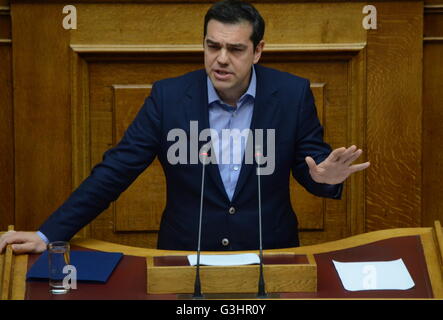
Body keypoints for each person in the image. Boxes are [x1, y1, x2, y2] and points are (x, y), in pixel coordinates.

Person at [0, 0, 369, 254]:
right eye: (213, 46)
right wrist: (49, 234)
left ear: (258, 51)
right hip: (184, 256)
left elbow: (311, 166)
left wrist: (325, 178)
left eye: (236, 49)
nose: (221, 59)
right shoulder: (169, 97)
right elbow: (116, 170)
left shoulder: (291, 94)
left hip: (270, 253)